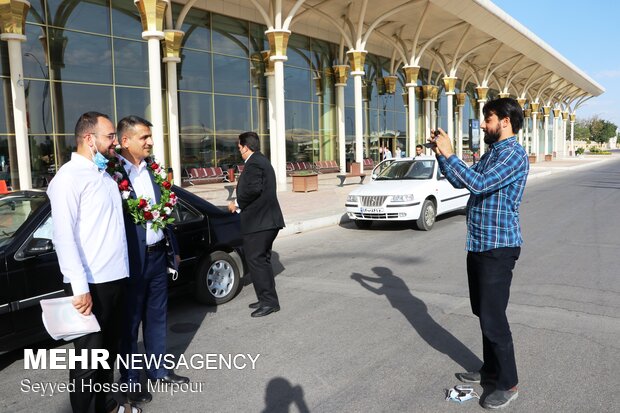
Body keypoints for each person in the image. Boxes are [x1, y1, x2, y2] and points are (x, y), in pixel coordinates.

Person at [431, 97, 529, 410]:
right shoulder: (493, 153)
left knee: (493, 317)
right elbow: (464, 180)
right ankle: (490, 370)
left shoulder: (513, 155)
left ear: (505, 121)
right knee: (482, 313)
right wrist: (443, 157)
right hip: (479, 244)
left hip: (498, 247)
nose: (484, 125)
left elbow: (480, 184)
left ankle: (508, 382)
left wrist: (451, 153)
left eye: (488, 119)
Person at [47, 112, 135, 413]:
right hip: (89, 285)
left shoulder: (105, 176)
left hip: (115, 278)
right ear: (89, 138)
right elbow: (64, 237)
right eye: (110, 136)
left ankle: (106, 404)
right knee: (87, 362)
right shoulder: (67, 179)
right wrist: (79, 288)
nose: (115, 142)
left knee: (108, 354)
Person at [115, 115, 188, 404]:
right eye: (143, 137)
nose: (150, 142)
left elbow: (164, 212)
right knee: (130, 323)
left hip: (159, 257)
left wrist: (174, 247)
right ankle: (131, 379)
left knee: (157, 317)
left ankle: (159, 370)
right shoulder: (112, 176)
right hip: (132, 261)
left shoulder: (153, 171)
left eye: (150, 136)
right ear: (125, 141)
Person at [228, 131, 285, 317]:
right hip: (265, 221)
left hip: (260, 223)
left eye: (239, 147)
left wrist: (235, 203)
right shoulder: (260, 160)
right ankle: (266, 299)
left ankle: (269, 302)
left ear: (246, 146)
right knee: (262, 260)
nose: (239, 151)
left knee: (256, 261)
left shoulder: (254, 163)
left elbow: (253, 189)